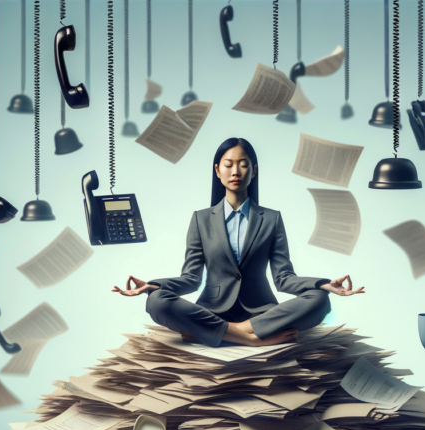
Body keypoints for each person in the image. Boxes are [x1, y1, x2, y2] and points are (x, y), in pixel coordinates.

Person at [112, 137, 364, 347]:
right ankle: (249, 339)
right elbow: (191, 278)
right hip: (212, 310)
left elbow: (283, 277)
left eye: (243, 165)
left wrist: (324, 284)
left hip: (262, 313)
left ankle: (228, 331)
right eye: (228, 164)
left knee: (320, 300)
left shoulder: (272, 219)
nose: (235, 172)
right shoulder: (200, 219)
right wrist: (152, 286)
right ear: (217, 170)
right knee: (156, 301)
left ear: (254, 171)